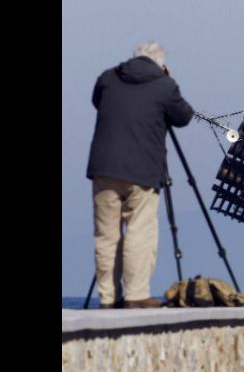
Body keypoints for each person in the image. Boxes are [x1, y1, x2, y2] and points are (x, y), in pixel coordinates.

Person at [87, 42, 194, 309]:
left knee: (106, 236)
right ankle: (136, 296)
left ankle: (109, 299)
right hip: (142, 171)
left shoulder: (107, 78)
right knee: (139, 231)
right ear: (161, 64)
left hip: (104, 169)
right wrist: (169, 83)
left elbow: (96, 101)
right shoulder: (164, 85)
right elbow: (183, 116)